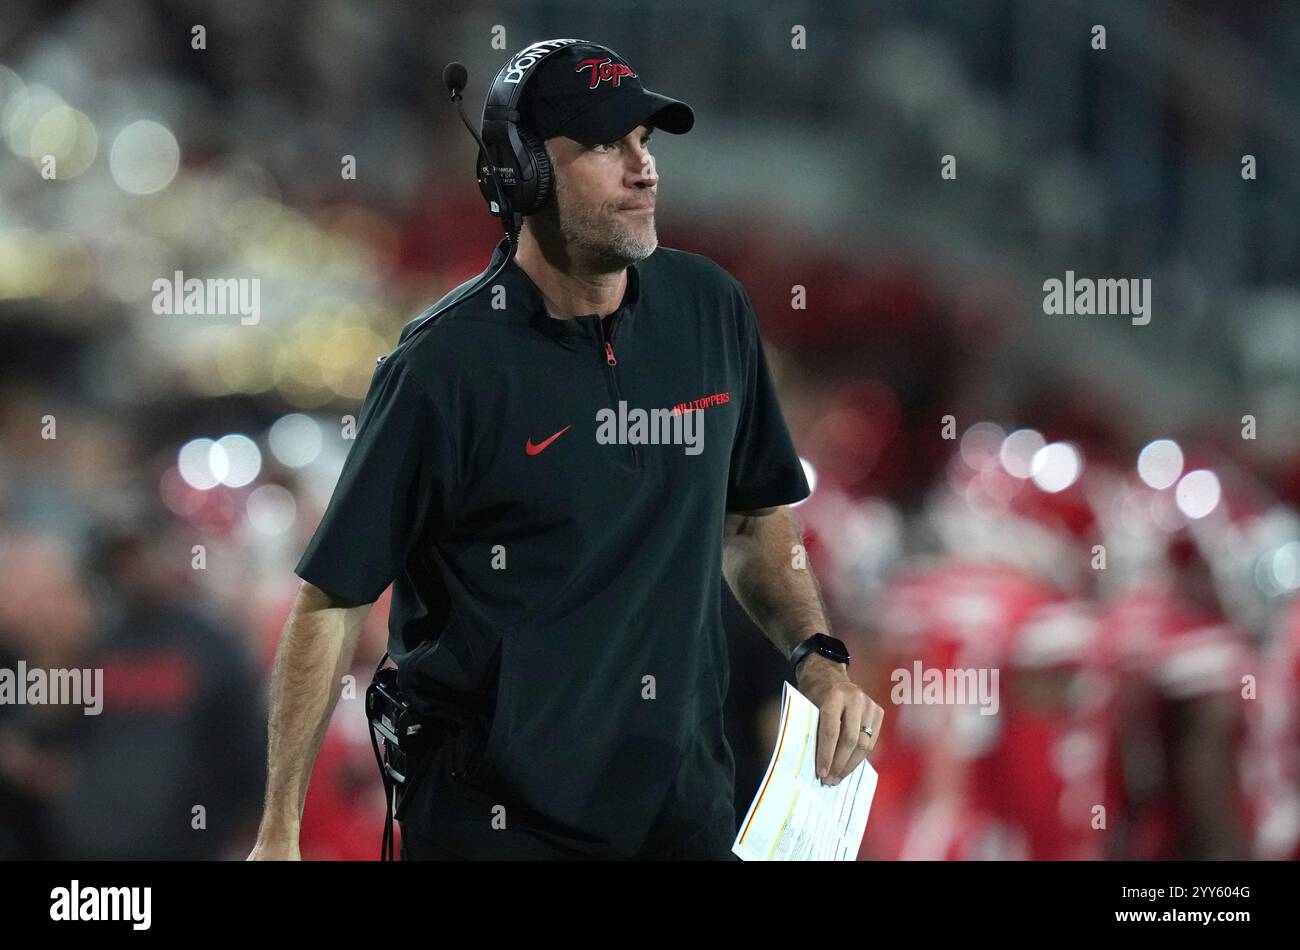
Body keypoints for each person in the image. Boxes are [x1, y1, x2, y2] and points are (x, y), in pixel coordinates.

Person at [248, 39, 884, 861]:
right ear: (523, 174)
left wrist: (818, 659)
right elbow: (330, 605)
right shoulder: (443, 368)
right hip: (499, 822)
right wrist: (279, 834)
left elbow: (753, 518)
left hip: (683, 809)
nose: (642, 168)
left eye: (646, 144)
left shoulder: (711, 309)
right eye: (604, 146)